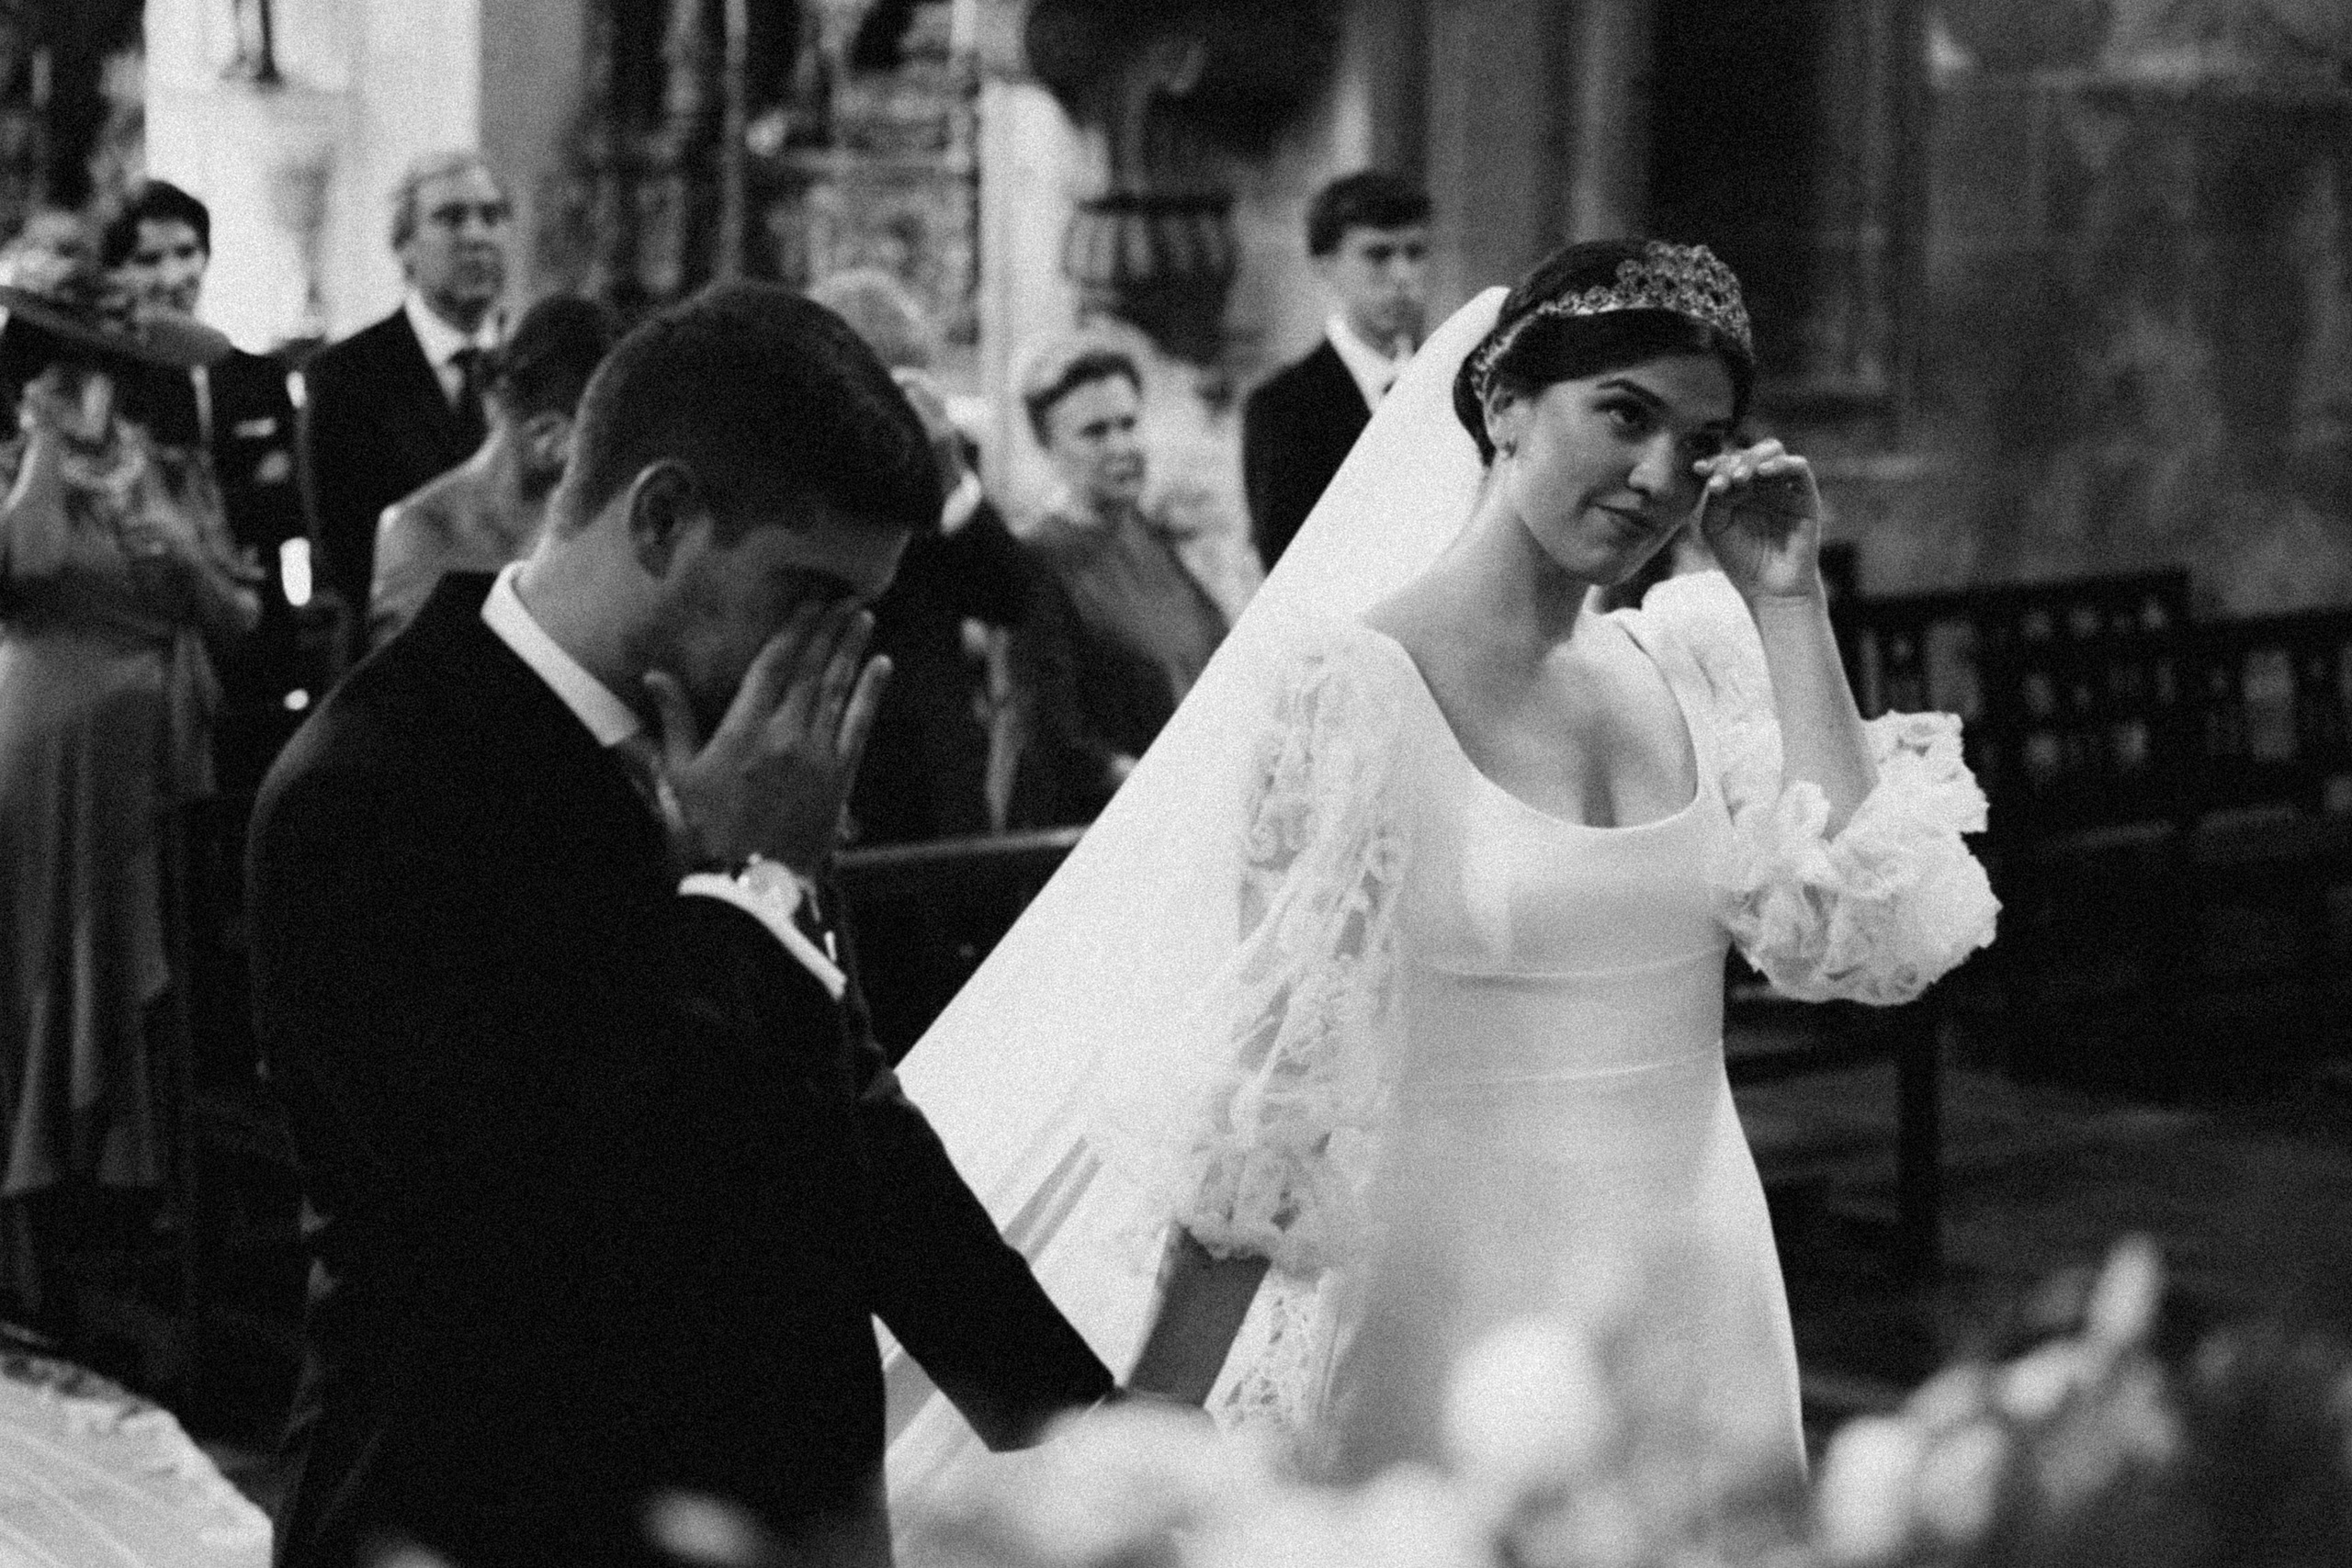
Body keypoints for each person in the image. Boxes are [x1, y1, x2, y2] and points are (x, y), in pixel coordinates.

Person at [876, 242, 1999, 1497]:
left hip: (1701, 1287)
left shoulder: (1689, 660)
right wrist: (1150, 1427)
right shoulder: (1352, 692)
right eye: (1623, 414)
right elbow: (1277, 1087)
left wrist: (1790, 603)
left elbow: (1870, 940)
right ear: (1504, 404)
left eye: (1699, 442)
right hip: (1461, 1309)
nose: (1657, 476)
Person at [246, 280, 1114, 1568]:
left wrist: (1087, 1430)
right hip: (500, 1513)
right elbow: (535, 1230)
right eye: (805, 592)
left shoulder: (734, 748)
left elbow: (847, 1121)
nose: (837, 649)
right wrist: (742, 889)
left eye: (862, 607)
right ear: (659, 515)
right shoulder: (369, 785)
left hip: (773, 1507)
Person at [0, 222, 257, 1311]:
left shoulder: (177, 472)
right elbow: (27, 567)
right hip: (44, 750)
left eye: (101, 369)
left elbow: (239, 619)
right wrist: (45, 445)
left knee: (157, 974)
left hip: (160, 746)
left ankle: (142, 1220)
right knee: (40, 969)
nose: (89, 387)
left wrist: (188, 561)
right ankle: (39, 1227)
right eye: (65, 368)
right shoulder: (15, 468)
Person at [100, 179, 314, 792]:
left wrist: (198, 516)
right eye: (149, 258)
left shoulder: (256, 376)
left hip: (260, 651)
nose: (173, 274)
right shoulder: (107, 386)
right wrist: (243, 496)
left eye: (187, 252)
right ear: (117, 271)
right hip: (149, 651)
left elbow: (294, 509)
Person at [300, 150, 511, 660]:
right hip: (399, 657)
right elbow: (348, 557)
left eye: (491, 216)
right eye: (451, 218)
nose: (477, 236)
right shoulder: (346, 377)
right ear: (404, 246)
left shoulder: (532, 368)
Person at [1017, 335, 1230, 791]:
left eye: (1128, 424)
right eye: (1095, 432)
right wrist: (1164, 789)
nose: (1121, 446)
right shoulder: (1037, 560)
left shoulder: (1151, 534)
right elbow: (1054, 738)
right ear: (1047, 445)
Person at [368, 292, 615, 646]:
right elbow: (406, 679)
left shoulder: (585, 530)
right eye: (600, 441)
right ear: (549, 437)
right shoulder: (418, 533)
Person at [1240, 170, 1430, 573]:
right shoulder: (1282, 408)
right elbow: (1287, 569)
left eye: (1414, 253)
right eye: (1378, 255)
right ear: (1325, 266)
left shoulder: (1457, 383)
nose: (1402, 276)